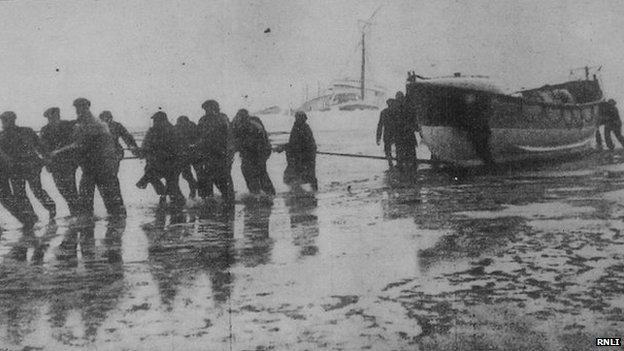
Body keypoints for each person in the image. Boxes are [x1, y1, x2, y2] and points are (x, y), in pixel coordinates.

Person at [51, 98, 126, 217]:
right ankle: (113, 221)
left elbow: (79, 144)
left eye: (79, 107)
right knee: (101, 196)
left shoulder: (91, 123)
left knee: (96, 197)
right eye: (77, 108)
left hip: (97, 166)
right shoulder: (95, 123)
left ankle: (110, 224)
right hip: (97, 166)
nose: (77, 110)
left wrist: (58, 152)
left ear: (86, 107)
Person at [0, 111, 56, 220]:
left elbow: (39, 145)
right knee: (20, 194)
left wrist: (47, 159)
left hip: (31, 166)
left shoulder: (26, 131)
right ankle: (32, 216)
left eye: (5, 120)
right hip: (16, 169)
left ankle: (51, 207)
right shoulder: (2, 136)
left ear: (13, 120)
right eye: (3, 120)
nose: (4, 123)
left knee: (36, 190)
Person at [135, 111, 186, 207]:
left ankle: (169, 199)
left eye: (156, 120)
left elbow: (146, 146)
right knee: (170, 183)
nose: (154, 122)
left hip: (166, 163)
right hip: (168, 163)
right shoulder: (172, 130)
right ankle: (170, 198)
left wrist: (143, 153)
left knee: (165, 181)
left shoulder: (158, 131)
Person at [40, 107, 80, 216]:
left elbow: (75, 142)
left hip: (68, 161)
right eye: (50, 118)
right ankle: (75, 211)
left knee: (71, 187)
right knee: (61, 188)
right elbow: (43, 147)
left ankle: (76, 212)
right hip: (55, 164)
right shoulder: (45, 129)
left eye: (54, 116)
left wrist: (58, 151)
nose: (52, 119)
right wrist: (47, 161)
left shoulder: (68, 125)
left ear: (58, 115)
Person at [195, 100, 234, 205]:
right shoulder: (203, 120)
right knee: (206, 179)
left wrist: (228, 153)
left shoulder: (222, 119)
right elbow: (198, 136)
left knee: (223, 178)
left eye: (209, 108)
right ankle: (209, 201)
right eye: (205, 109)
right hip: (207, 155)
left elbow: (228, 136)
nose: (207, 111)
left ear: (215, 108)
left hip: (221, 154)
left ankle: (228, 200)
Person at [231, 109, 275, 195]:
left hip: (257, 152)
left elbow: (243, 143)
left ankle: (259, 193)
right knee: (260, 173)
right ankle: (265, 193)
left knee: (255, 172)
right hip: (257, 152)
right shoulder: (250, 123)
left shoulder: (252, 126)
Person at [276, 111, 318, 190]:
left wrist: (283, 147)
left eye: (300, 118)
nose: (298, 119)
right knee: (306, 176)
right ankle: (308, 192)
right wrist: (284, 147)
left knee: (295, 176)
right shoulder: (300, 127)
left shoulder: (302, 128)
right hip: (304, 156)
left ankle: (301, 193)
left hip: (304, 157)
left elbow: (296, 144)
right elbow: (294, 143)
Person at [175, 115, 199, 198]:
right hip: (189, 154)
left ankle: (194, 189)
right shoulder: (192, 126)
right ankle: (195, 188)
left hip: (189, 154)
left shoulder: (191, 127)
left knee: (188, 174)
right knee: (188, 174)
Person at [393, 91, 418, 170]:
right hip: (406, 133)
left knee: (403, 150)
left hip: (403, 133)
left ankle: (402, 165)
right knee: (409, 150)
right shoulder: (409, 107)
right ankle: (409, 165)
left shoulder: (399, 108)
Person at [376, 98, 397, 169]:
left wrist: (378, 138)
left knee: (387, 150)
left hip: (387, 133)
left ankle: (390, 164)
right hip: (395, 132)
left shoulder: (384, 112)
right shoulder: (396, 111)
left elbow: (380, 125)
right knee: (398, 149)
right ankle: (397, 163)